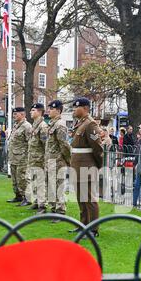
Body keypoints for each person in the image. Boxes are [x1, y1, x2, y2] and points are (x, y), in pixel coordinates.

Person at [69, 97, 103, 237]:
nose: (74, 110)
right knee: (81, 198)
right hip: (77, 166)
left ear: (85, 108)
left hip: (87, 166)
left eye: (76, 107)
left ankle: (93, 229)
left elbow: (98, 147)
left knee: (89, 199)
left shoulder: (90, 124)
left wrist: (97, 165)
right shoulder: (80, 124)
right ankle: (83, 225)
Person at [46, 99, 71, 222]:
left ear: (58, 111)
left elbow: (64, 145)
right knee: (51, 186)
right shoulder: (52, 124)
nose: (48, 111)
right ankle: (54, 209)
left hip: (58, 161)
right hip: (51, 160)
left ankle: (60, 211)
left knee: (59, 186)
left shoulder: (60, 125)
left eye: (51, 109)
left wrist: (67, 160)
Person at [7, 107, 32, 205]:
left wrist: (27, 156)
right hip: (14, 156)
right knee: (15, 178)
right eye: (13, 114)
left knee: (22, 178)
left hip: (22, 158)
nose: (14, 116)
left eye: (16, 114)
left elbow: (30, 142)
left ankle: (27, 198)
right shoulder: (16, 125)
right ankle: (18, 196)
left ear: (22, 115)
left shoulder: (27, 126)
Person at [28, 102, 48, 214]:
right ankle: (36, 201)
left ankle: (42, 205)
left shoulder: (43, 126)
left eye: (33, 110)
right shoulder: (35, 124)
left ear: (40, 112)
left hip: (40, 159)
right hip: (33, 158)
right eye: (31, 110)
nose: (31, 112)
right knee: (34, 181)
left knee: (40, 183)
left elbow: (45, 144)